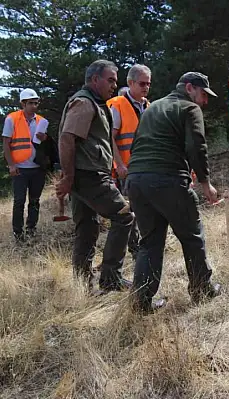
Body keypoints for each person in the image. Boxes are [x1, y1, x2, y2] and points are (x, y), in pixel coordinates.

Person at [127, 72, 222, 313]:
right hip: (166, 179)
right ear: (189, 88)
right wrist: (205, 183)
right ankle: (202, 289)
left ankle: (141, 302)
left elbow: (138, 143)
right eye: (202, 94)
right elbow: (196, 146)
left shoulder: (152, 107)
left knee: (149, 243)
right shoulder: (189, 109)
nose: (204, 101)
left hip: (137, 181)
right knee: (192, 236)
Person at [56, 59, 134, 293]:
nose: (114, 85)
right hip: (88, 176)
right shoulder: (84, 103)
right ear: (94, 79)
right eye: (110, 80)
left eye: (115, 81)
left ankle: (84, 286)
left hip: (85, 174)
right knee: (125, 216)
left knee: (88, 228)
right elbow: (67, 138)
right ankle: (110, 278)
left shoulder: (96, 103)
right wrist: (68, 177)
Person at [107, 64, 150, 260]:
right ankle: (133, 249)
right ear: (130, 82)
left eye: (148, 84)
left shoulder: (148, 106)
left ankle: (141, 245)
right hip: (127, 169)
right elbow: (110, 138)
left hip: (146, 168)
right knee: (129, 210)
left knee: (144, 208)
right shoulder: (117, 105)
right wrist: (119, 165)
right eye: (142, 83)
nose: (146, 87)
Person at [3, 88, 49, 242]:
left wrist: (45, 138)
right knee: (19, 201)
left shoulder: (41, 121)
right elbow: (6, 143)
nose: (34, 106)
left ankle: (31, 230)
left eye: (36, 103)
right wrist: (11, 165)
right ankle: (18, 233)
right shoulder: (12, 119)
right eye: (31, 103)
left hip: (37, 169)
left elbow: (46, 145)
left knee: (35, 201)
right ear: (23, 103)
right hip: (20, 168)